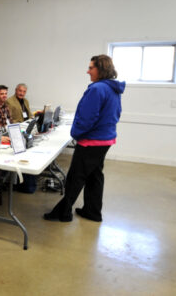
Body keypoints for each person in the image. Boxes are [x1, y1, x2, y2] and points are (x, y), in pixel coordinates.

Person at [44, 55, 125, 223]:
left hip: (91, 141)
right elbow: (116, 113)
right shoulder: (113, 89)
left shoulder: (97, 89)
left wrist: (76, 134)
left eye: (91, 68)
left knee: (75, 178)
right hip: (105, 140)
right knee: (95, 176)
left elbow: (88, 118)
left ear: (100, 69)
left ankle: (63, 213)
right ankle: (92, 211)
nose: (87, 71)